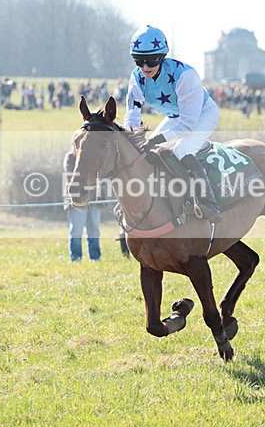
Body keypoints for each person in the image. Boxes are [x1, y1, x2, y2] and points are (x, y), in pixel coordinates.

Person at [122, 24, 221, 222]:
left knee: (182, 150)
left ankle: (208, 201)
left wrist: (156, 138)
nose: (145, 68)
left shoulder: (185, 75)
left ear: (162, 57)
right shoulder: (137, 78)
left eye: (151, 61)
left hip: (203, 115)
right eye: (139, 61)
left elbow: (187, 126)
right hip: (176, 118)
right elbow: (132, 116)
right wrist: (131, 139)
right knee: (149, 153)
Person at [64, 149, 101, 262]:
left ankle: (95, 257)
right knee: (76, 230)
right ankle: (76, 258)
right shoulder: (71, 157)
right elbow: (72, 176)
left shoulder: (95, 156)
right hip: (77, 200)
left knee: (94, 229)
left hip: (93, 199)